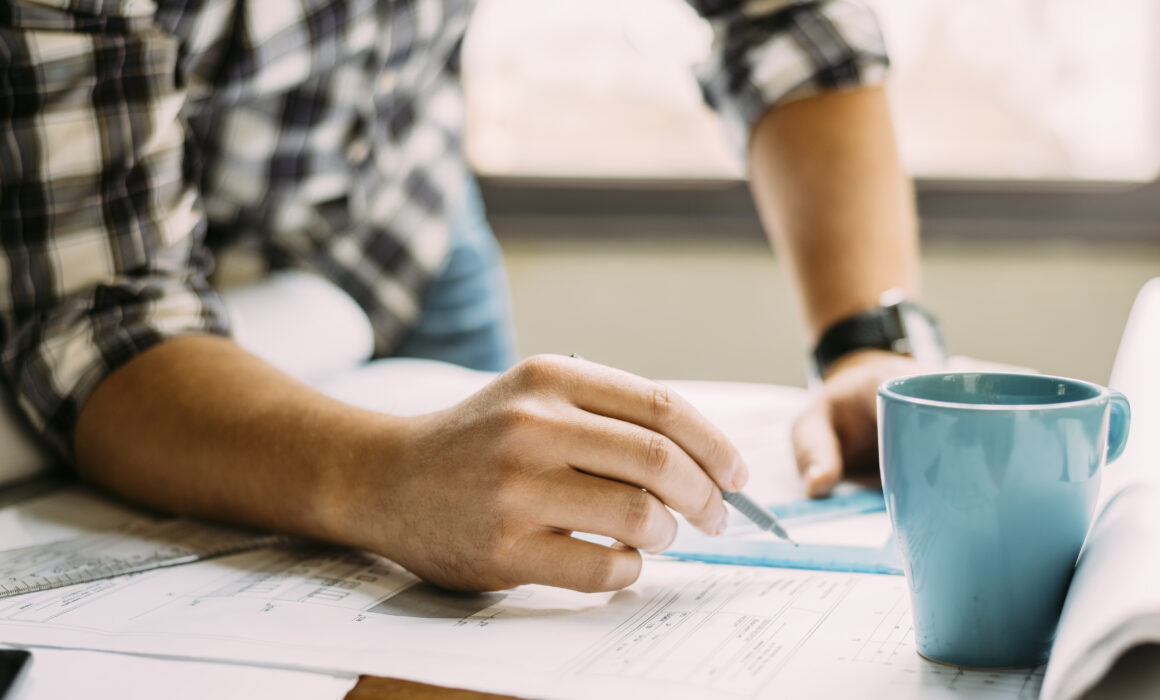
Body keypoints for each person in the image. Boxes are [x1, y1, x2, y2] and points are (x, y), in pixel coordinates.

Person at [0, 0, 935, 593]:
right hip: (155, 334)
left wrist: (869, 341)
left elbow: (785, 20)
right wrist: (384, 478)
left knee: (503, 537)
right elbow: (103, 319)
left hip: (407, 233)